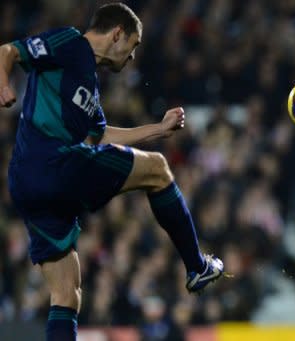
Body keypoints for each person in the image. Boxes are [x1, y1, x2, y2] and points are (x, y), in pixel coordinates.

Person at [0, 3, 224, 340]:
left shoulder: (88, 83)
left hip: (27, 184)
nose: (133, 56)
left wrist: (157, 130)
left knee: (67, 294)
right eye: (133, 46)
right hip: (54, 164)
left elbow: (98, 136)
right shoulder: (71, 43)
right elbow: (8, 51)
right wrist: (3, 85)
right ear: (117, 34)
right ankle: (196, 267)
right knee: (159, 169)